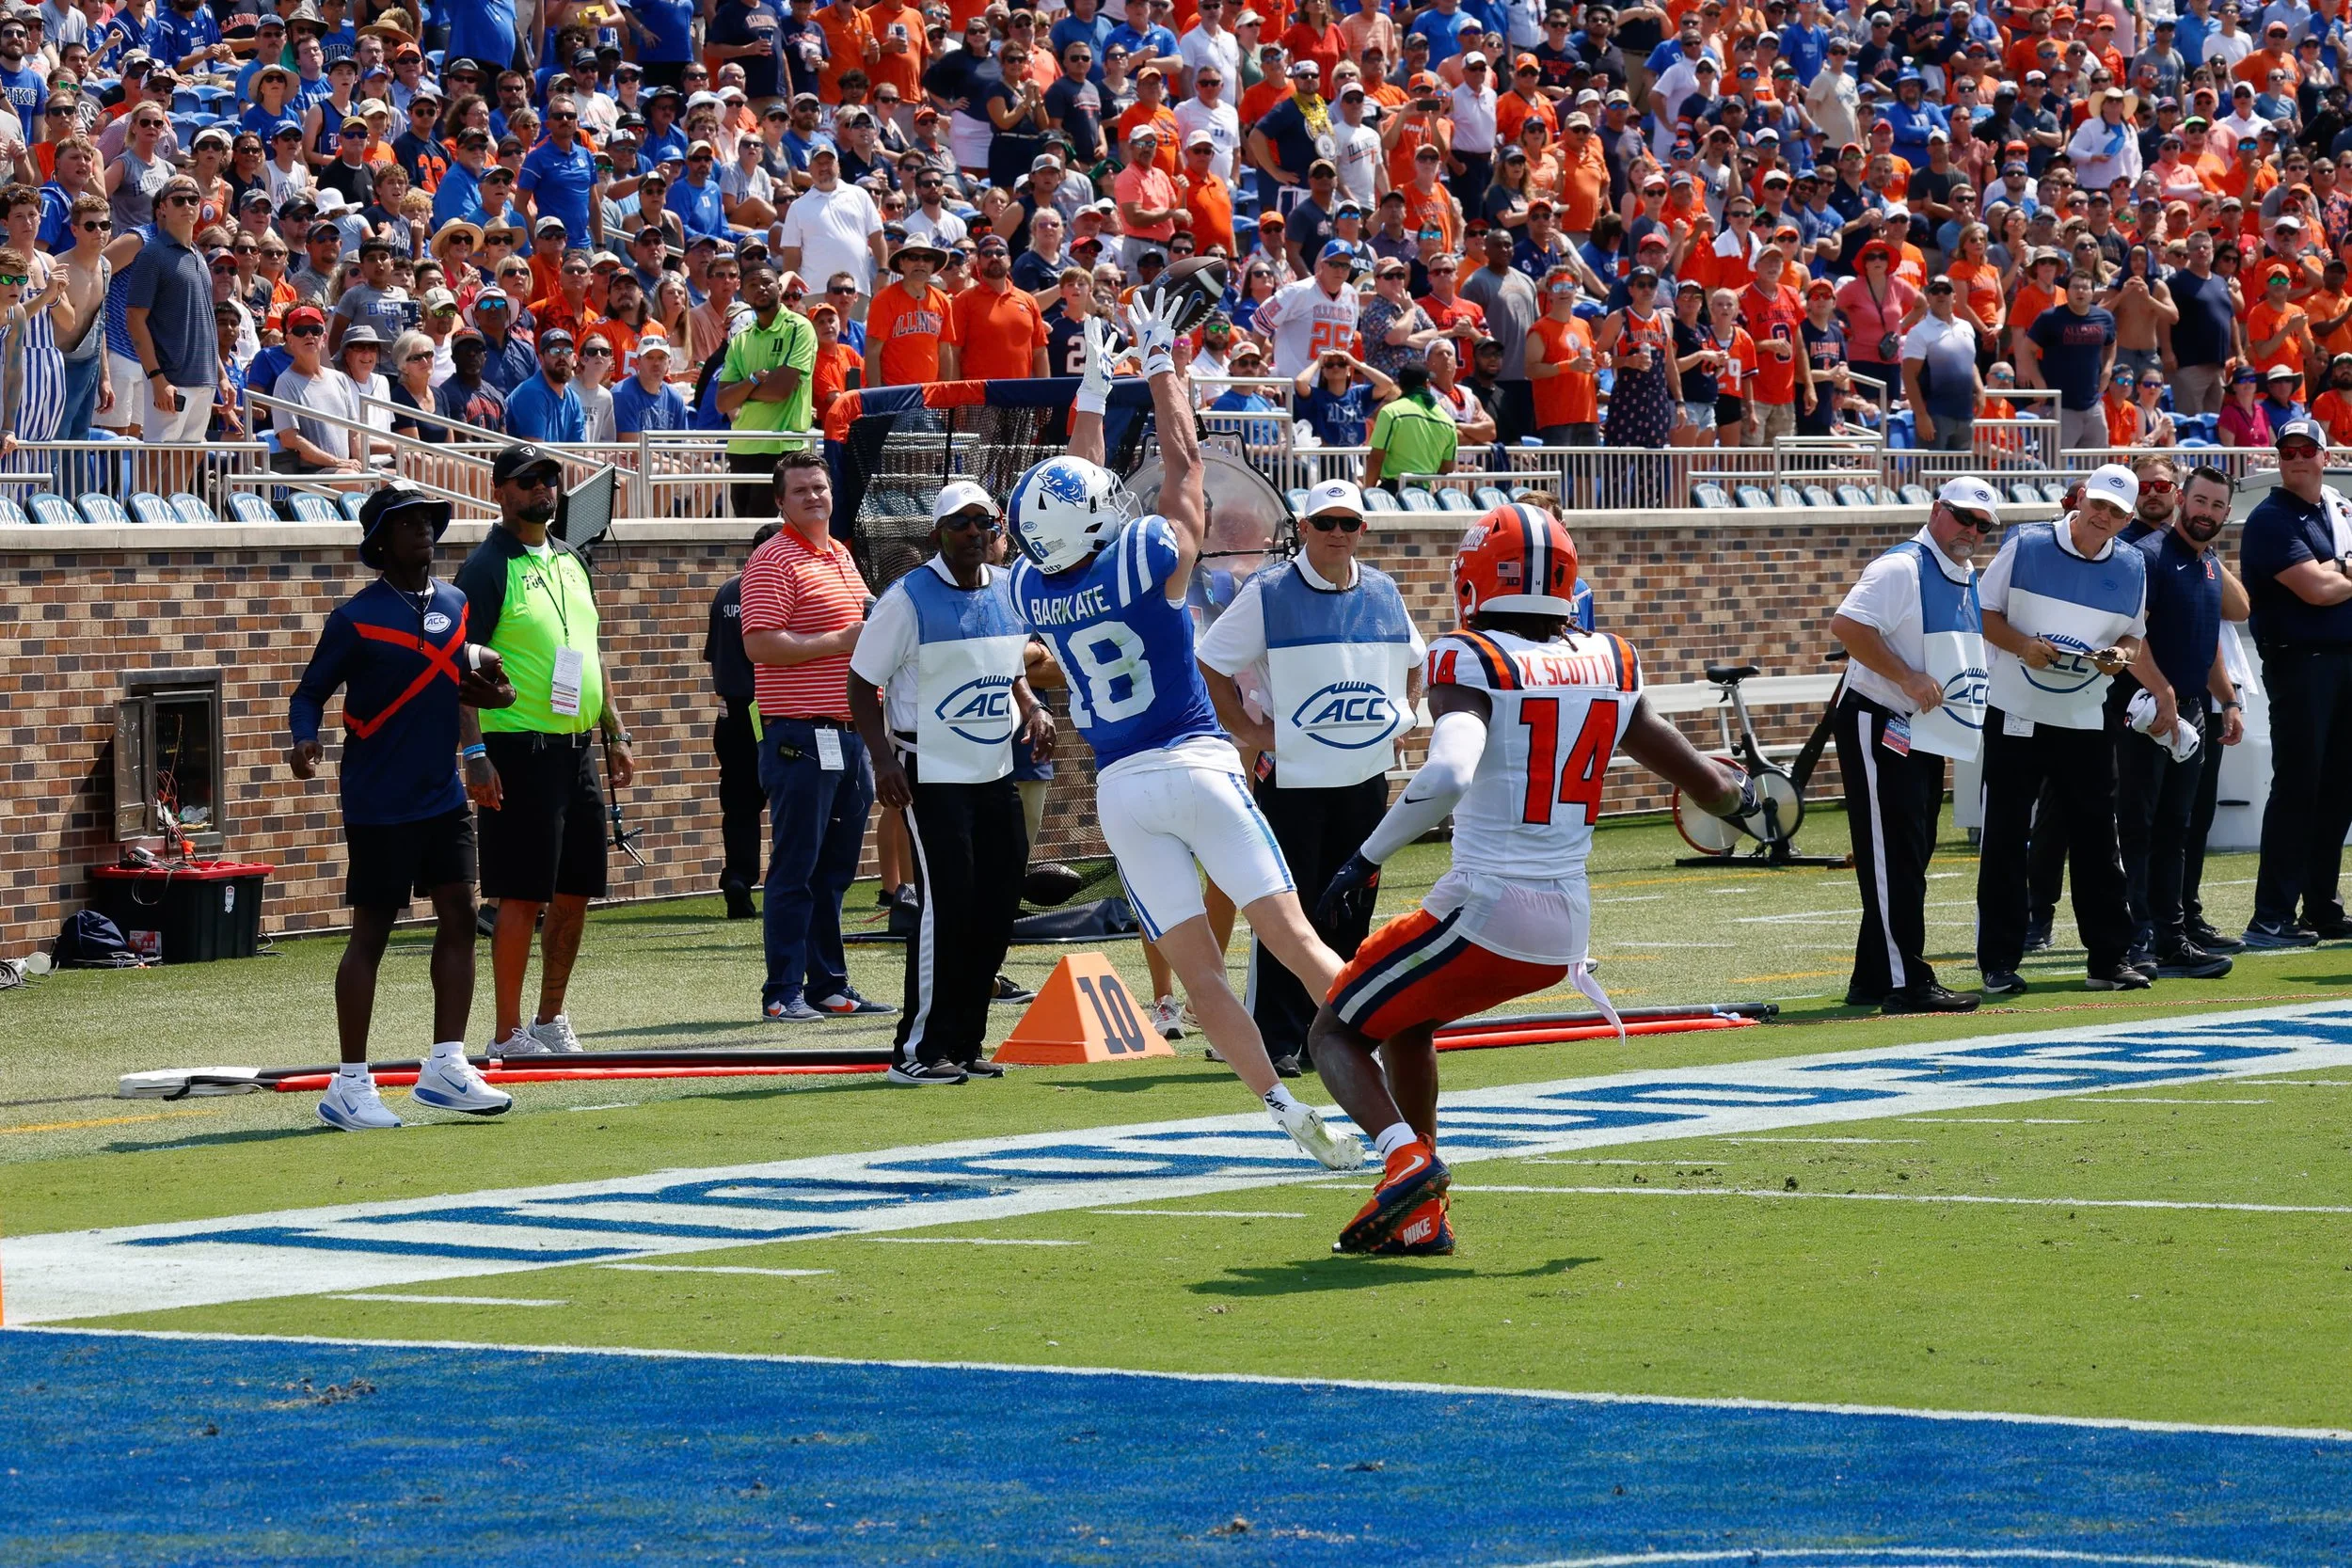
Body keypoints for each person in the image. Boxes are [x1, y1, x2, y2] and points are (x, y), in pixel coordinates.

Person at [1303, 504, 1766, 1257]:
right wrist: (1746, 797)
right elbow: (1709, 787)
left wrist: (1366, 858)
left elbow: (1449, 772)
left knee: (1334, 1029)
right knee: (1407, 1020)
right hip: (1566, 924)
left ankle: (1404, 1158)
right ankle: (1420, 1213)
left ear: (1475, 578)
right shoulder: (1611, 659)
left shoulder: (1471, 657)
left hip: (1488, 904)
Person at [1003, 297, 1361, 1169]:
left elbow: (1077, 484)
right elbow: (1186, 460)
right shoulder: (1146, 555)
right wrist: (1161, 361)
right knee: (1298, 939)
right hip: (1197, 761)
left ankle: (1280, 1110)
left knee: (1199, 979)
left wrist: (1093, 389)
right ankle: (1383, 1067)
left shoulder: (1029, 588)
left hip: (1123, 790)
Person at [288, 483, 517, 1131]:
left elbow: (471, 686)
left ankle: (446, 1064)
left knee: (459, 912)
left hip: (440, 792)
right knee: (373, 932)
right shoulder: (354, 617)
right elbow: (310, 693)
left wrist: (481, 739)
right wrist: (303, 739)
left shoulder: (455, 602)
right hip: (377, 794)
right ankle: (349, 1083)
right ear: (380, 540)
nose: (424, 530)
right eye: (407, 522)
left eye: (428, 520)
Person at [1196, 477, 1423, 1075]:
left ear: (1362, 531)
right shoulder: (1268, 591)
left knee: (1352, 909)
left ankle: (1338, 1034)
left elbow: (1416, 664)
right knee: (1288, 912)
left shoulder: (1383, 590)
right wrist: (1251, 732)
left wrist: (1403, 715)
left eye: (1349, 524)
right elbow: (1211, 662)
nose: (1338, 534)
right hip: (1293, 781)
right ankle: (1277, 1040)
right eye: (1326, 523)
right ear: (1303, 529)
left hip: (1364, 779)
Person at [849, 483, 1057, 1084]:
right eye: (959, 523)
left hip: (993, 767)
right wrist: (884, 761)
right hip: (929, 771)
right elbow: (862, 684)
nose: (973, 532)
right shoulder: (907, 598)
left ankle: (964, 1043)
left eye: (983, 521)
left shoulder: (1008, 590)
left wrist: (1033, 708)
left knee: (995, 903)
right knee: (947, 905)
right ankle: (918, 1050)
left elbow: (1010, 666)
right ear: (938, 532)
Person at [456, 443, 641, 1057]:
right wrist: (474, 752)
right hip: (518, 751)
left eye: (551, 479)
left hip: (577, 749)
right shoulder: (487, 566)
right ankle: (507, 1032)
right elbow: (458, 667)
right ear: (500, 491)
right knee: (522, 892)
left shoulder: (570, 559)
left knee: (575, 889)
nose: (544, 488)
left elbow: (589, 649)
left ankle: (548, 1018)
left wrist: (614, 728)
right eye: (529, 480)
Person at [1974, 462, 2152, 994]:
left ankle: (2108, 960)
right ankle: (1999, 963)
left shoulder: (2133, 565)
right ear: (2080, 500)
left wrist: (2121, 655)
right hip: (2014, 711)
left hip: (2085, 719)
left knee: (2099, 839)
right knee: (2005, 837)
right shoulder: (2025, 544)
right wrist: (2022, 646)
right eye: (2097, 504)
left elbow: (2135, 639)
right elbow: (1981, 613)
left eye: (2116, 512)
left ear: (2127, 520)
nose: (2103, 517)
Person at [1828, 477, 1998, 1014]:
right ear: (1936, 509)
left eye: (1982, 524)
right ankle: (1906, 982)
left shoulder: (1964, 572)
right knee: (1893, 854)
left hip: (1920, 726)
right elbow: (1848, 626)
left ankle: (1875, 975)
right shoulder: (1901, 567)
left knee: (1909, 851)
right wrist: (1905, 676)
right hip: (1881, 718)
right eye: (1963, 517)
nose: (1971, 530)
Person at [739, 449, 892, 1022]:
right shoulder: (772, 559)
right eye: (800, 490)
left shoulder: (842, 556)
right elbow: (758, 644)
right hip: (800, 738)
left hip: (851, 735)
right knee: (796, 867)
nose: (814, 497)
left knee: (836, 871)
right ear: (780, 501)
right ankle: (782, 992)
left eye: (821, 488)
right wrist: (838, 641)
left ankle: (829, 985)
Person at [2113, 463, 2245, 979]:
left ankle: (2172, 937)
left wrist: (2229, 700)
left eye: (2216, 505)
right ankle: (2135, 939)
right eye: (2200, 502)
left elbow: (2207, 641)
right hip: (2144, 711)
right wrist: (2162, 691)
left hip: (2190, 711)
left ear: (2226, 514)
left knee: (2177, 828)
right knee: (2139, 827)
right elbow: (2129, 637)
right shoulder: (2148, 557)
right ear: (2181, 502)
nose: (2206, 512)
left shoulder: (2209, 564)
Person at [2238, 415, 2352, 946]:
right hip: (2301, 662)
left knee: (2338, 791)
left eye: (2307, 450)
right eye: (2288, 452)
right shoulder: (2270, 518)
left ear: (2325, 456)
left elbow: (2332, 581)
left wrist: (2338, 570)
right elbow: (2317, 591)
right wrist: (2337, 574)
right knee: (2300, 787)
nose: (2297, 459)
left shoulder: (2338, 510)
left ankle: (2322, 907)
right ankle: (2271, 916)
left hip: (2343, 661)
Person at [704, 521, 781, 922]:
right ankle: (787, 887)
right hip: (768, 711)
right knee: (791, 799)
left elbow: (714, 655)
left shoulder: (727, 590)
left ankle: (738, 878)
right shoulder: (772, 590)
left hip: (731, 712)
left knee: (739, 803)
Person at [716, 258, 818, 518]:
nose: (760, 288)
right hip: (741, 448)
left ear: (778, 288)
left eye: (766, 282)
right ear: (743, 293)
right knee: (743, 537)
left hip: (781, 448)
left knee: (774, 533)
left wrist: (743, 390)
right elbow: (722, 402)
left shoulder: (799, 328)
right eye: (752, 284)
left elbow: (780, 390)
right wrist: (753, 381)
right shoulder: (741, 340)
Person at [122, 175, 215, 447]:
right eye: (178, 200)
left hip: (203, 377)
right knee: (158, 454)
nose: (187, 205)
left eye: (193, 199)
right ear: (162, 208)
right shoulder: (152, 254)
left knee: (189, 457)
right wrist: (157, 378)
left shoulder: (198, 255)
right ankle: (142, 494)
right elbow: (135, 319)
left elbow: (206, 321)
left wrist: (219, 375)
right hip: (171, 378)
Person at [2026, 266, 2121, 452]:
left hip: (2093, 404)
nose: (2080, 291)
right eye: (2075, 287)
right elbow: (2027, 349)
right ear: (2066, 291)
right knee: (2053, 468)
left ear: (2093, 292)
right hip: (2059, 406)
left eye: (2085, 288)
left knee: (2093, 467)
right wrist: (2038, 382)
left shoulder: (2104, 318)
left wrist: (2108, 369)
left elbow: (2111, 344)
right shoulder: (2050, 318)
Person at [1902, 277, 1984, 453]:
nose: (1941, 295)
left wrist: (1979, 389)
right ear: (1928, 296)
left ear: (1954, 296)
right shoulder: (1918, 332)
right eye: (1935, 291)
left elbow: (1970, 362)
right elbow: (1909, 376)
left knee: (1959, 477)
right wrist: (1922, 416)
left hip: (1965, 414)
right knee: (1931, 473)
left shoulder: (1967, 327)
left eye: (1946, 290)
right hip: (1935, 414)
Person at [1361, 359, 1458, 489]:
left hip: (1393, 490)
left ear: (1401, 386)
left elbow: (1376, 458)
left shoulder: (1391, 412)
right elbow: (1447, 466)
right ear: (1427, 384)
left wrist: (1369, 492)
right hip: (1424, 495)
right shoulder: (1447, 421)